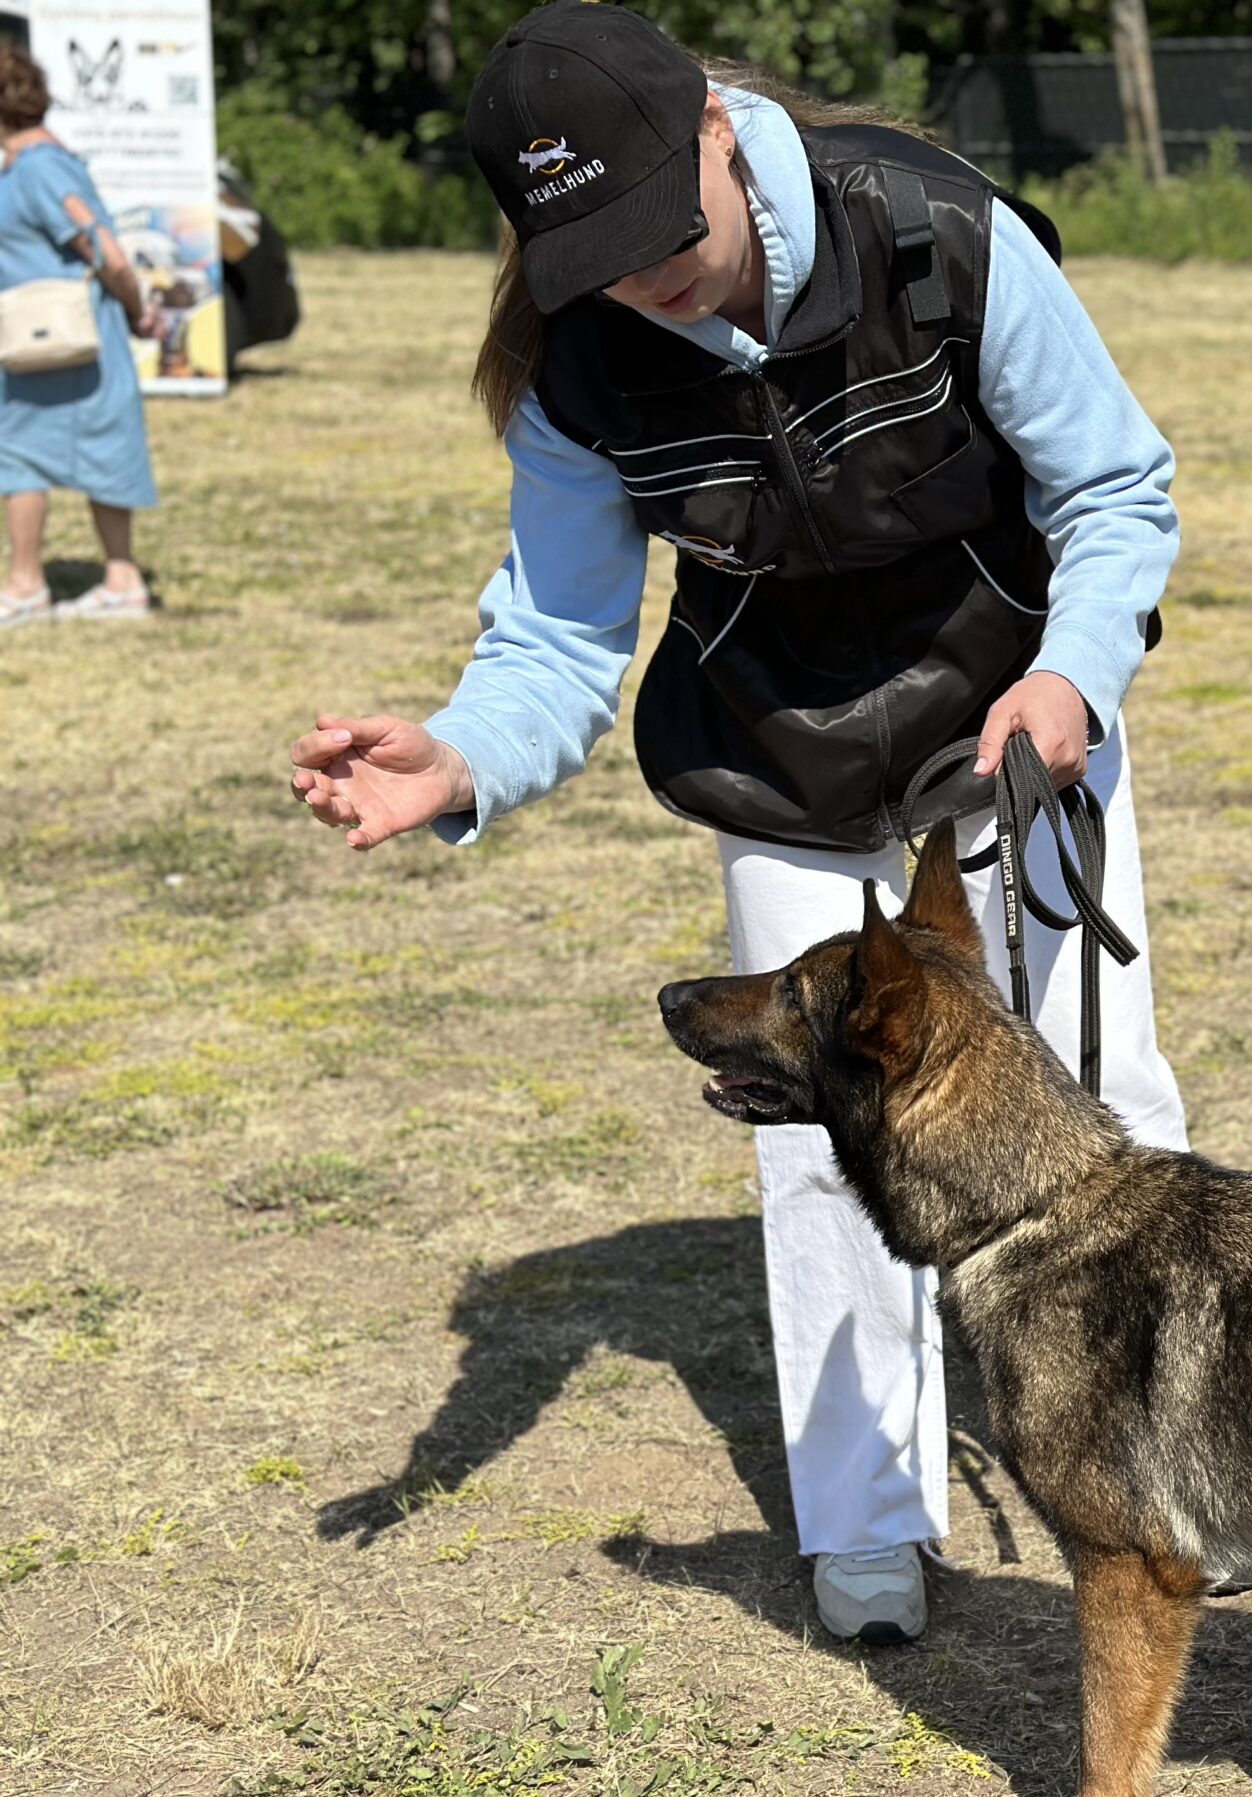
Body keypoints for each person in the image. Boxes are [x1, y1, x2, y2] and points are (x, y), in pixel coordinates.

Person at [286, 3, 1188, 1646]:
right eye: (598, 257)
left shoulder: (934, 231)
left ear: (714, 124)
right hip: (779, 756)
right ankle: (871, 1525)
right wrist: (459, 763)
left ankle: (1182, 1467)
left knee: (1102, 1093)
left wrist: (1073, 678)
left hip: (1017, 725)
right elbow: (557, 638)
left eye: (659, 228)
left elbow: (1114, 491)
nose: (648, 279)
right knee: (820, 1141)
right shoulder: (578, 360)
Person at [0, 45, 162, 627]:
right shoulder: (35, 163)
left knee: (17, 453)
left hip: (62, 336)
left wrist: (136, 307)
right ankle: (119, 579)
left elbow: (109, 254)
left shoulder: (39, 167)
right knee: (93, 443)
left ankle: (25, 586)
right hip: (52, 340)